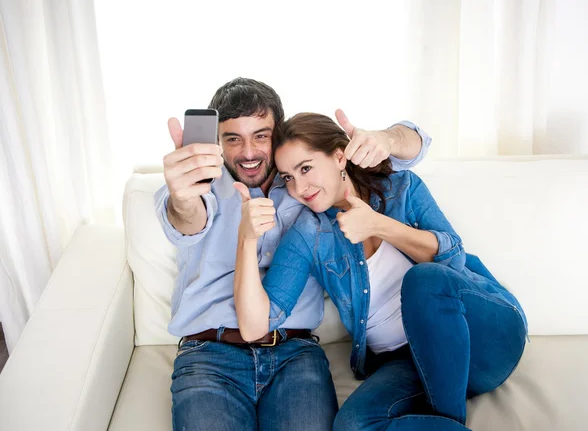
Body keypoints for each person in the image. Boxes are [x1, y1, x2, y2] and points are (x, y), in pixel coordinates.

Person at [155, 78, 431, 431]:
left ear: (278, 135)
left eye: (261, 135)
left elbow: (417, 145)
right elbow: (186, 220)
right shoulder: (197, 188)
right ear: (217, 143)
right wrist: (182, 198)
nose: (249, 152)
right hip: (209, 355)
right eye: (233, 138)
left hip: (294, 354)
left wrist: (386, 139)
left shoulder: (307, 183)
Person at [233, 112, 528, 431]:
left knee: (422, 280)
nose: (299, 187)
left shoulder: (400, 187)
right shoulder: (309, 232)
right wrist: (247, 239)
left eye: (305, 168)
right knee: (352, 424)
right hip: (410, 364)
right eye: (288, 177)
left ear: (338, 156)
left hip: (483, 337)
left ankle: (447, 420)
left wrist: (379, 225)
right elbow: (255, 326)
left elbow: (451, 259)